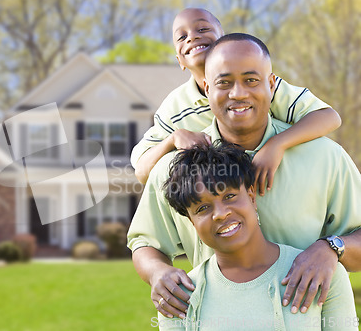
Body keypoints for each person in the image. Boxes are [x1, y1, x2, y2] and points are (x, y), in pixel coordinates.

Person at [127, 33, 361, 320]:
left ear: (271, 84)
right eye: (224, 83)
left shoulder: (325, 157)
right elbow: (145, 242)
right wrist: (157, 272)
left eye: (251, 80)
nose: (238, 93)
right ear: (206, 87)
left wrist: (331, 249)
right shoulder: (175, 169)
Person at [132, 8, 341, 197]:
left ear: (224, 40)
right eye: (182, 36)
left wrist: (276, 145)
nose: (193, 37)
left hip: (279, 188)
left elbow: (329, 117)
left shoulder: (261, 86)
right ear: (180, 61)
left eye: (203, 28)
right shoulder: (175, 108)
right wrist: (173, 139)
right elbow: (142, 172)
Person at [154, 143, 358, 330]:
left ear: (251, 198)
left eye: (229, 196)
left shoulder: (321, 273)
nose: (220, 214)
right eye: (203, 208)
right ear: (192, 223)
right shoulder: (178, 296)